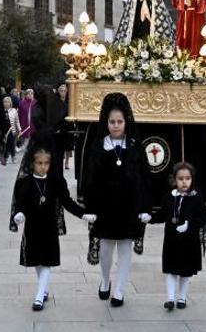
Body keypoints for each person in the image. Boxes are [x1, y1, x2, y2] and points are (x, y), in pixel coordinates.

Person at [82, 93, 151, 307]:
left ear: (126, 122)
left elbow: (144, 177)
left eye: (119, 121)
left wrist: (145, 206)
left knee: (124, 247)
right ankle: (105, 280)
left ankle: (120, 289)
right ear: (106, 122)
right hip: (105, 206)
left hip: (129, 206)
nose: (115, 125)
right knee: (105, 248)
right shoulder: (99, 145)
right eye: (112, 122)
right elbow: (90, 178)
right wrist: (90, 207)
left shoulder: (134, 144)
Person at [10, 143, 90, 311]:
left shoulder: (55, 182)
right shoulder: (24, 183)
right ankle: (44, 289)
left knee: (46, 262)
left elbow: (67, 202)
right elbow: (21, 204)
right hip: (32, 228)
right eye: (39, 163)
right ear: (32, 163)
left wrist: (83, 214)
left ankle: (39, 296)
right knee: (37, 262)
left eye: (46, 163)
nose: (43, 167)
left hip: (49, 227)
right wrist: (19, 215)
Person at [149, 162, 206, 311]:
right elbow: (163, 214)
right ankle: (170, 298)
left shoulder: (196, 197)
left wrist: (190, 225)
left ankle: (182, 297)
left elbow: (201, 218)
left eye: (187, 178)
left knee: (185, 271)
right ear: (174, 180)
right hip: (172, 240)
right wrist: (149, 218)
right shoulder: (170, 196)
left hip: (189, 241)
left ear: (192, 180)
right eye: (180, 178)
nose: (184, 182)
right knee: (170, 269)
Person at [1, 96, 21, 165]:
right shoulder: (1, 111)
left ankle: (13, 156)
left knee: (11, 144)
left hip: (12, 131)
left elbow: (17, 121)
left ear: (10, 103)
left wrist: (19, 129)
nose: (6, 103)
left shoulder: (14, 111)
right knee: (5, 145)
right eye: (4, 102)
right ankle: (5, 157)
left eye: (7, 102)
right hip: (4, 131)